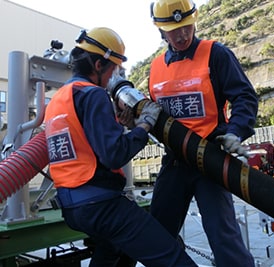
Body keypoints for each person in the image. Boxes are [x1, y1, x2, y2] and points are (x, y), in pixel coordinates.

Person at [44, 27, 198, 267]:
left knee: (112, 252)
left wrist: (122, 127)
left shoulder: (59, 99)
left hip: (72, 207)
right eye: (113, 68)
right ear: (98, 65)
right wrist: (144, 125)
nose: (112, 76)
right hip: (102, 205)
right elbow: (114, 155)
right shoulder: (93, 94)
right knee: (171, 256)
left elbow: (86, 145)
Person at [148, 1, 259, 266]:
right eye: (174, 30)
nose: (182, 35)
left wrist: (236, 131)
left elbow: (244, 96)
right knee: (157, 234)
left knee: (223, 237)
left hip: (209, 157)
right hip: (175, 160)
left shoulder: (215, 54)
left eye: (186, 26)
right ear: (161, 31)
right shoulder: (155, 68)